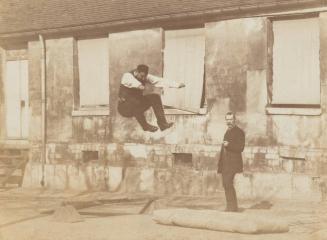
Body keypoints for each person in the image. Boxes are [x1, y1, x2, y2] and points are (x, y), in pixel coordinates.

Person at [117, 64, 185, 132]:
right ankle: (145, 126)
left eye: (145, 76)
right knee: (135, 101)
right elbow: (131, 82)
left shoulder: (144, 76)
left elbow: (159, 81)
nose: (143, 79)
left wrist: (177, 85)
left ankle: (162, 124)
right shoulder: (127, 76)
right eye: (142, 76)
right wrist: (139, 85)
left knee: (155, 97)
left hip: (137, 106)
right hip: (124, 108)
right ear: (136, 72)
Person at [217, 112, 245, 212]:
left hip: (233, 163)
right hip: (225, 163)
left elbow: (241, 148)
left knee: (228, 183)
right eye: (227, 120)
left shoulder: (239, 132)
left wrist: (229, 145)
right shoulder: (227, 132)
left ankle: (232, 207)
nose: (229, 121)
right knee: (225, 184)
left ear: (234, 120)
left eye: (230, 119)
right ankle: (230, 206)